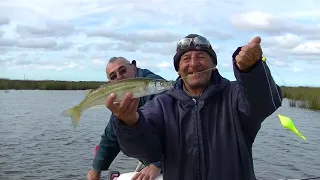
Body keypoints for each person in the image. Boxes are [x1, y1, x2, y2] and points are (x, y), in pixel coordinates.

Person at [106, 34, 283, 180]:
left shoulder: (235, 94)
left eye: (201, 57)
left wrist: (252, 71)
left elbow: (267, 103)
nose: (193, 64)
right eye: (185, 59)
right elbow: (146, 152)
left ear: (213, 65)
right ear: (178, 70)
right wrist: (129, 123)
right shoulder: (161, 105)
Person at [87, 57, 164, 180]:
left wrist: (158, 163)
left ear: (133, 67)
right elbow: (111, 135)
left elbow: (174, 129)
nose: (119, 77)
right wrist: (96, 169)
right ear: (110, 83)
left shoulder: (154, 87)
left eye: (122, 71)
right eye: (113, 76)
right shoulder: (122, 95)